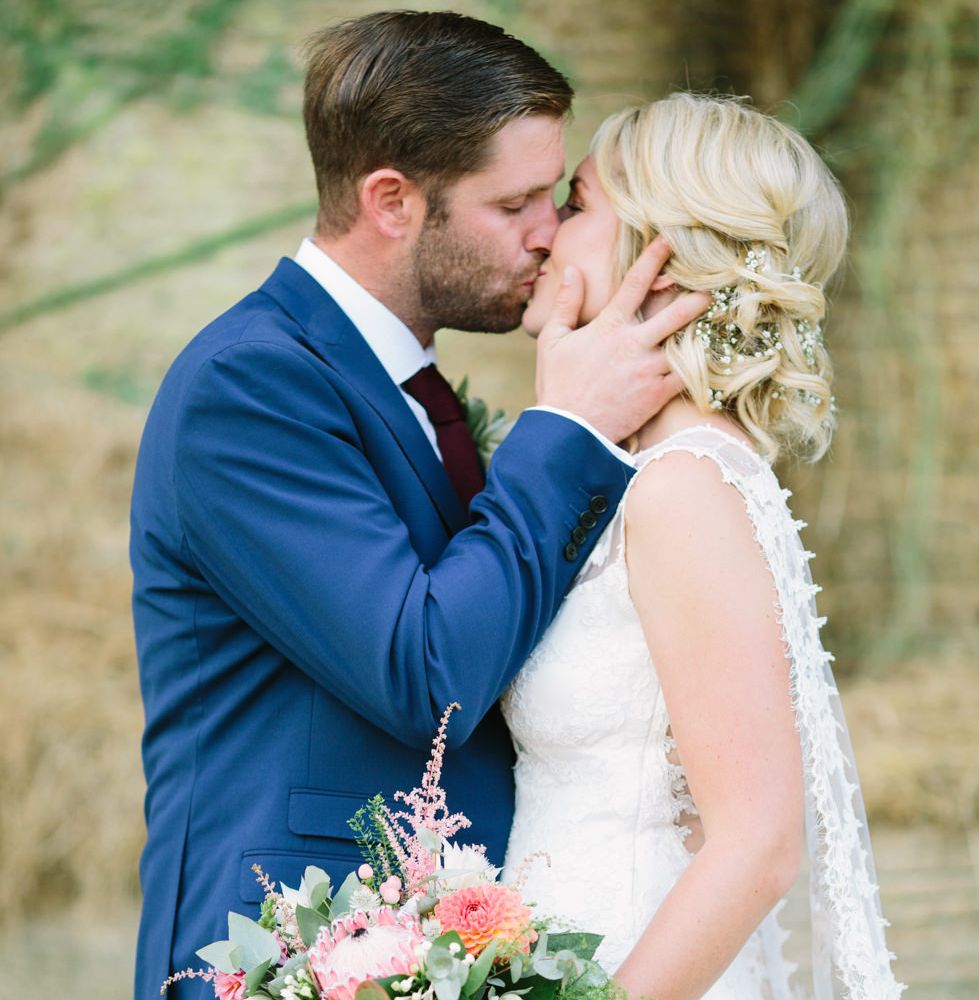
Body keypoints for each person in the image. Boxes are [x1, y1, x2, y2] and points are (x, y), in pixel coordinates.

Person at [129, 12, 708, 999]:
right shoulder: (249, 386)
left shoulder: (413, 390)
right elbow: (426, 671)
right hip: (276, 947)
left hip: (446, 939)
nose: (548, 231)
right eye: (516, 202)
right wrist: (566, 428)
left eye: (556, 196)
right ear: (392, 201)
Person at [502, 93, 904, 999]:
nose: (544, 236)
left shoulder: (685, 487)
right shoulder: (639, 477)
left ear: (660, 251)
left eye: (574, 206)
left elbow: (759, 841)